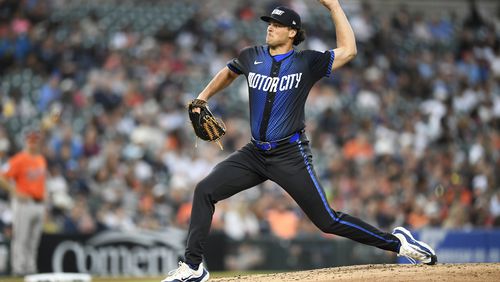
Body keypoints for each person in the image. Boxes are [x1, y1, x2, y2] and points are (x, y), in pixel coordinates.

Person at [163, 1, 437, 281]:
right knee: (205, 190)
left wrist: (334, 8)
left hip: (289, 154)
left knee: (327, 220)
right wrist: (203, 97)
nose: (270, 27)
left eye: (278, 24)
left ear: (293, 32)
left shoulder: (307, 62)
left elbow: (349, 50)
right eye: (269, 22)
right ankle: (194, 267)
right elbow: (228, 72)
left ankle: (399, 244)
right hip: (254, 153)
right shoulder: (251, 56)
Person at [0, 129, 47, 276]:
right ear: (26, 141)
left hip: (39, 204)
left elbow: (42, 182)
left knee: (33, 241)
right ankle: (19, 270)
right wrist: (14, 192)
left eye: (36, 139)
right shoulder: (19, 159)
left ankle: (30, 270)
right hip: (24, 204)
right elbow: (2, 176)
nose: (33, 142)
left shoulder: (41, 159)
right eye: (31, 139)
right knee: (21, 238)